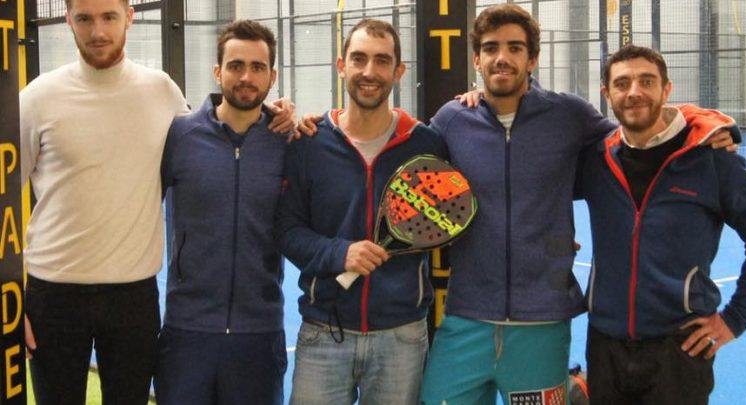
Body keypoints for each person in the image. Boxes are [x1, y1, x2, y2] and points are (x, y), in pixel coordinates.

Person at [419, 5, 737, 404]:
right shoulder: (452, 119)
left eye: (515, 48)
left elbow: (638, 132)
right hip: (466, 318)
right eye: (491, 48)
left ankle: (573, 389)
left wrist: (707, 122)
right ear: (477, 59)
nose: (502, 57)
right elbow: (410, 161)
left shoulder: (568, 114)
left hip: (542, 322)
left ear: (532, 59)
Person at [19, 1, 294, 403]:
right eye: (85, 19)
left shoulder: (161, 91)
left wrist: (275, 113)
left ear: (129, 17)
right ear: (69, 21)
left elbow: (218, 132)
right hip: (53, 296)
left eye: (109, 17)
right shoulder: (36, 99)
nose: (98, 31)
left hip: (133, 297)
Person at [576, 44, 746, 405]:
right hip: (605, 345)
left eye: (647, 81)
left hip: (679, 350)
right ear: (607, 94)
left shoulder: (711, 159)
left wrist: (735, 318)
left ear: (666, 89)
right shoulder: (596, 160)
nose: (634, 92)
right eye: (622, 83)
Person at [276, 18, 447, 404]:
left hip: (402, 338)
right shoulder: (309, 143)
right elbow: (286, 229)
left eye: (382, 61)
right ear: (341, 66)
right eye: (359, 59)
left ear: (399, 71)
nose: (369, 71)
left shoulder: (426, 145)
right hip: (323, 333)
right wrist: (340, 253)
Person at [153, 20, 289, 405]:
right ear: (218, 72)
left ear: (272, 76)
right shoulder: (179, 136)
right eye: (235, 66)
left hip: (259, 334)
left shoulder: (288, 141)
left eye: (257, 67)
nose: (246, 77)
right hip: (187, 331)